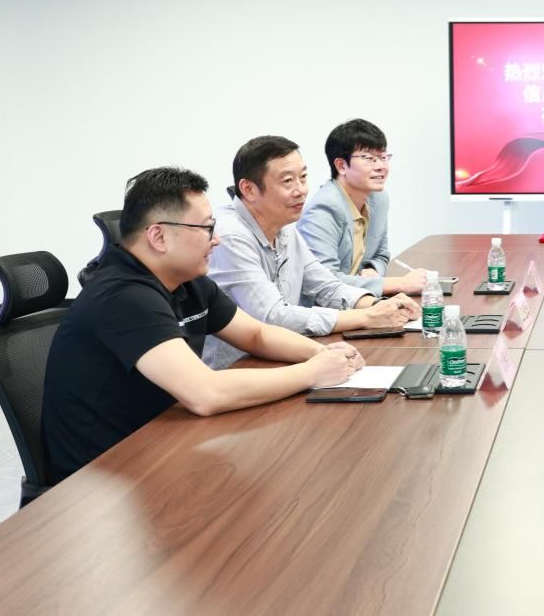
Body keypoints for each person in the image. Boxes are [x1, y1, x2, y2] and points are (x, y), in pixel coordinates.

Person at [42, 167, 367, 483]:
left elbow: (256, 334)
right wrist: (312, 373)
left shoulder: (187, 281)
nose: (217, 240)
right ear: (158, 236)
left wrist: (322, 354)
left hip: (163, 442)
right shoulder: (122, 296)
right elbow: (205, 393)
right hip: (103, 480)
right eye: (207, 228)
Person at [204, 136, 418, 369]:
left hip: (284, 356)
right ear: (249, 189)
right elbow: (273, 317)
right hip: (239, 369)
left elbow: (326, 286)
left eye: (303, 177)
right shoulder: (230, 235)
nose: (301, 190)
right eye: (288, 181)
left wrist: (379, 305)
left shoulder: (284, 226)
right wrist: (367, 317)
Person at [298, 118, 426, 296]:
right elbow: (324, 281)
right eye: (369, 158)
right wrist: (400, 283)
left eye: (383, 157)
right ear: (341, 166)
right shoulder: (323, 209)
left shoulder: (379, 199)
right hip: (327, 307)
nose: (381, 166)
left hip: (360, 300)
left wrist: (373, 270)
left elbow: (381, 255)